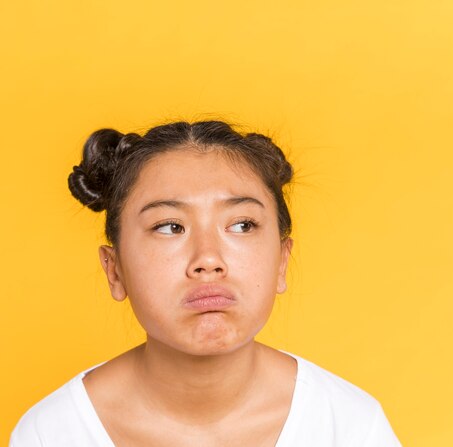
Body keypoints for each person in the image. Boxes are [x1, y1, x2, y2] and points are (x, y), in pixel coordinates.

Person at [9, 120, 401, 446]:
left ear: (282, 260)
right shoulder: (52, 434)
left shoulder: (349, 426)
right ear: (115, 270)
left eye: (242, 225)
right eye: (169, 227)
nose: (208, 259)